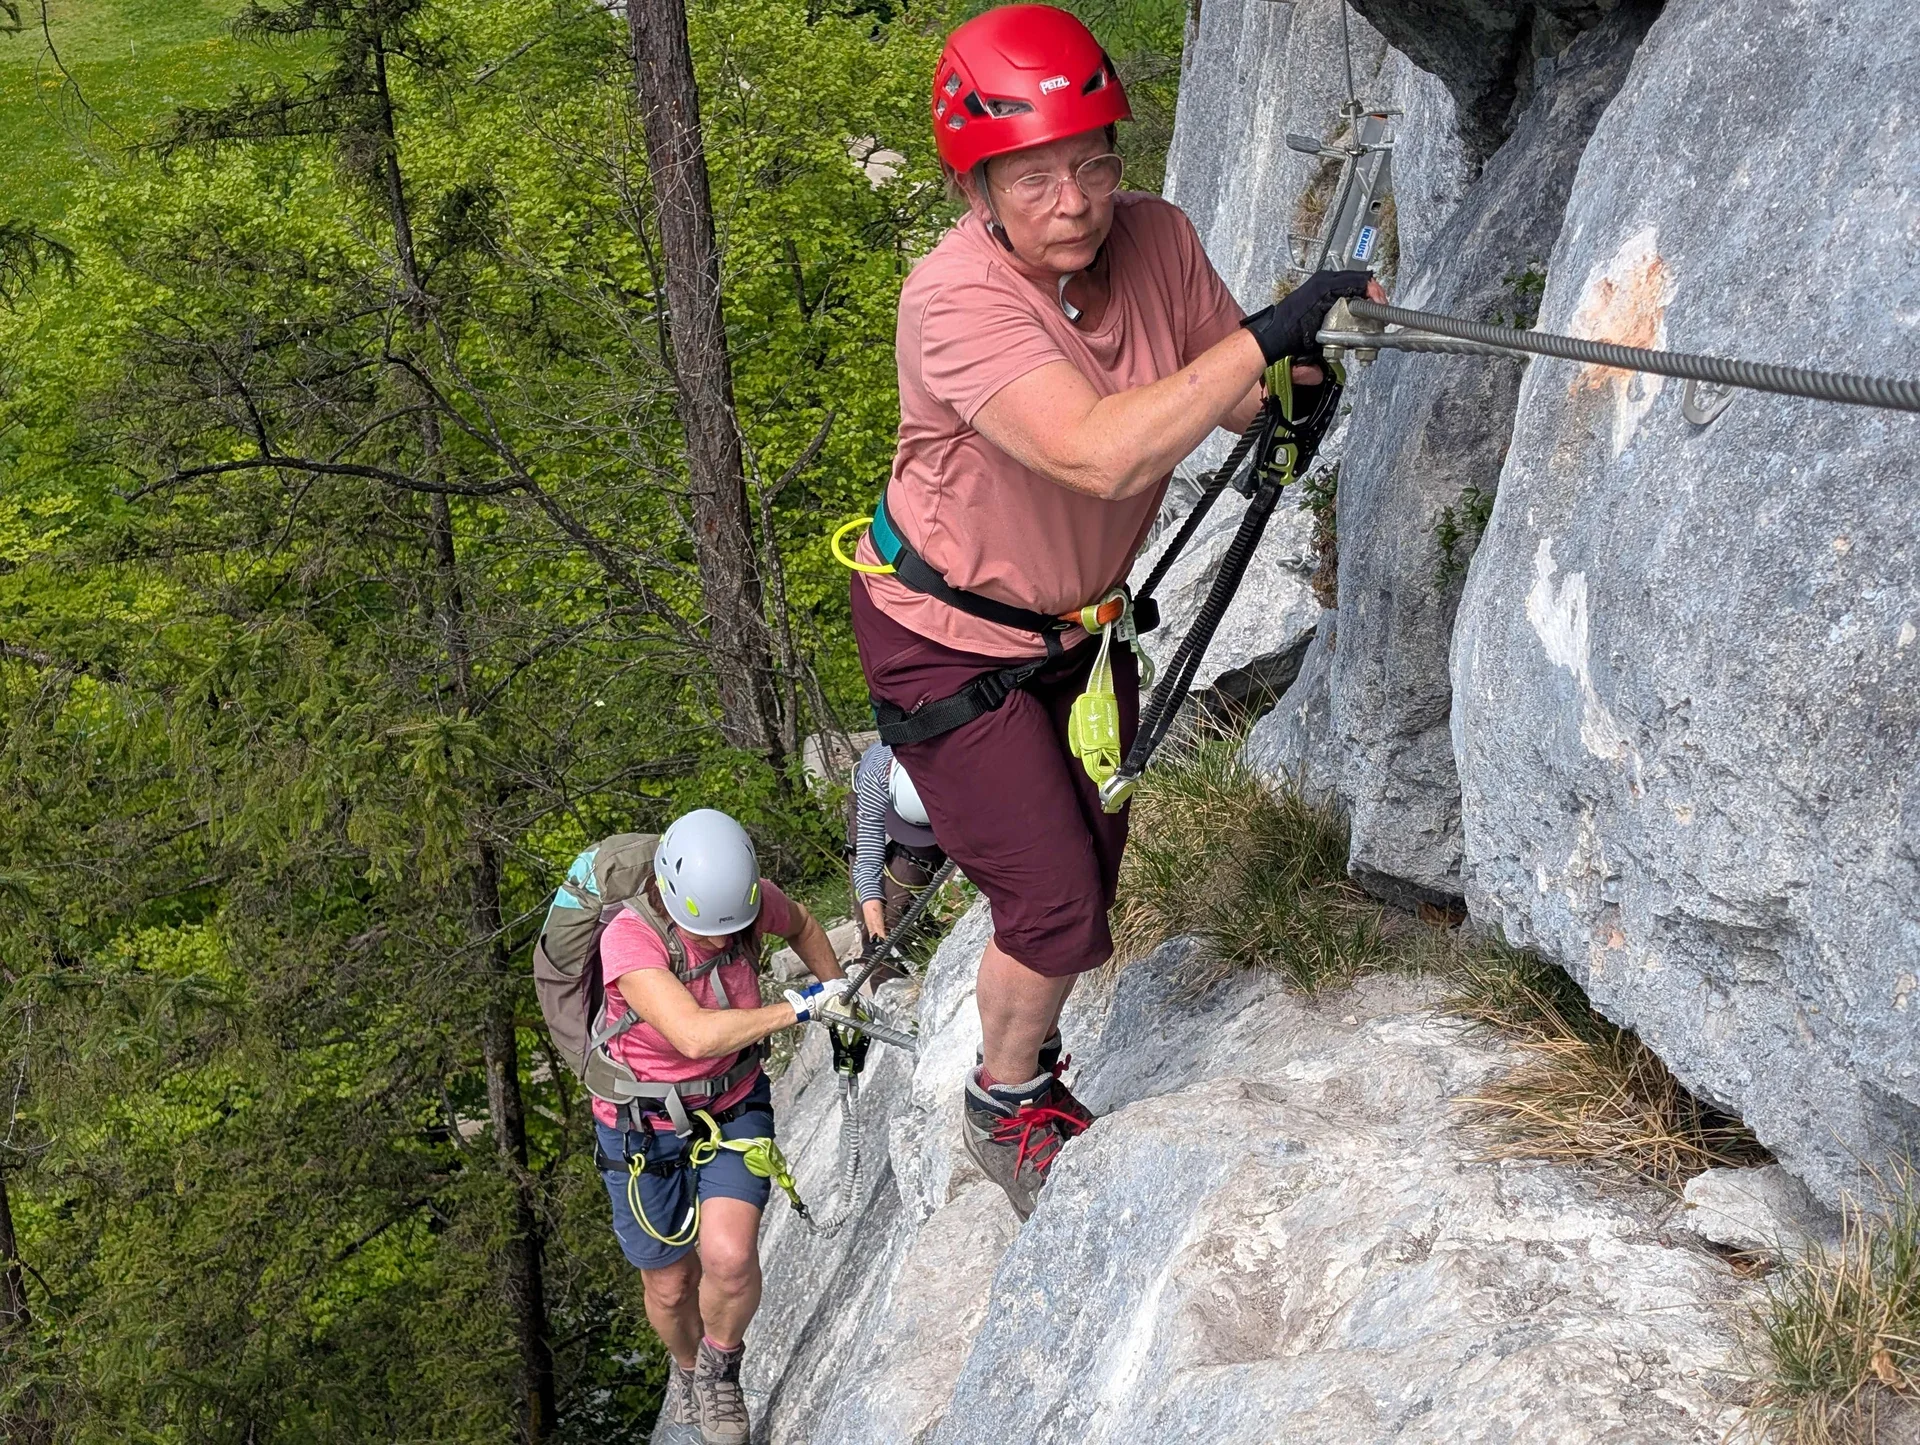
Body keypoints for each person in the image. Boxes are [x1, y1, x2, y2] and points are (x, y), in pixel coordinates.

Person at [847, 4, 1386, 1219]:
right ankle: (1006, 1101)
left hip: (1079, 629)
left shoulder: (1159, 240)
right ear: (976, 182)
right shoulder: (954, 302)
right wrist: (1257, 343)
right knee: (1054, 898)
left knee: (1087, 871)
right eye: (1035, 174)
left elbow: (1221, 388)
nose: (1076, 198)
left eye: (1093, 160)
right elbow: (1096, 453)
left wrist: (1289, 386)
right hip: (947, 639)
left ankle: (1012, 1008)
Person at [591, 808, 848, 1444]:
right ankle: (685, 1368)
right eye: (706, 932)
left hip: (732, 1101)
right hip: (641, 1127)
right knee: (671, 1284)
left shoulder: (746, 901)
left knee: (729, 1260)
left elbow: (807, 924)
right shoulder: (630, 938)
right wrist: (799, 1008)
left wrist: (838, 988)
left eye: (729, 929)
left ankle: (720, 1370)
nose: (719, 941)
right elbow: (694, 1034)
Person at [848, 740, 947, 951]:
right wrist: (877, 933)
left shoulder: (954, 762)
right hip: (874, 790)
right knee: (880, 912)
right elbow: (867, 864)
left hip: (942, 791)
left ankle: (920, 928)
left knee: (912, 877)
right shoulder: (875, 782)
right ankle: (877, 954)